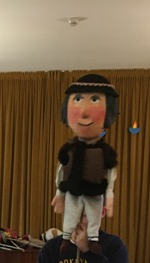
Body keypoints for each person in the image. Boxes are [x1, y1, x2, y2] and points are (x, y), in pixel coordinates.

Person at [51, 73, 119, 252]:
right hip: (73, 189)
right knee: (71, 214)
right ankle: (66, 237)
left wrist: (109, 197)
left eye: (95, 99)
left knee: (94, 215)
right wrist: (60, 193)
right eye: (78, 99)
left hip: (95, 190)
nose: (84, 111)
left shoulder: (105, 152)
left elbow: (110, 174)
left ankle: (93, 239)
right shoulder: (69, 149)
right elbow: (62, 170)